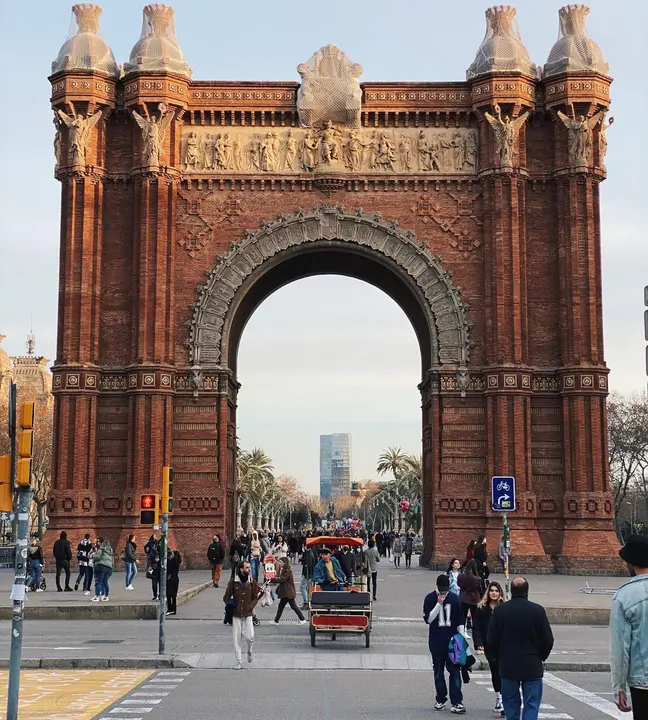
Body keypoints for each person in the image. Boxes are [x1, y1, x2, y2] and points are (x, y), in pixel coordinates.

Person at [487, 577, 554, 720]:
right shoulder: (537, 611)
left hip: (508, 664)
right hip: (532, 664)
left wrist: (495, 658)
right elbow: (548, 639)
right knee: (531, 705)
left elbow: (491, 639)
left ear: (511, 591)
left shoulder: (500, 611)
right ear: (527, 591)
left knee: (511, 705)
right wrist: (540, 656)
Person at [610, 535, 648, 718]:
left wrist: (619, 688)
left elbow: (620, 650)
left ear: (630, 564)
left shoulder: (624, 597)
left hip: (643, 683)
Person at [424, 574, 466, 714]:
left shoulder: (454, 599)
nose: (443, 592)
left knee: (455, 671)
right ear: (437, 587)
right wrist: (439, 604)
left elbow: (460, 620)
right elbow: (429, 619)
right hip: (436, 641)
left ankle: (457, 701)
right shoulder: (430, 598)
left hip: (452, 640)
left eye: (446, 590)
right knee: (438, 671)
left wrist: (461, 639)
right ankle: (440, 699)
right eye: (441, 590)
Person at [473, 581, 505, 715]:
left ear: (500, 593)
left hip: (504, 645)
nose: (494, 593)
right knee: (495, 672)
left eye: (496, 591)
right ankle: (499, 698)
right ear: (488, 592)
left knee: (504, 673)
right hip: (489, 645)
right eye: (492, 590)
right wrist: (479, 643)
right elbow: (477, 628)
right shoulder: (482, 608)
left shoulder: (504, 608)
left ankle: (505, 699)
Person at [223, 560, 261, 670]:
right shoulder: (234, 582)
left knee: (250, 637)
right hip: (236, 614)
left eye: (249, 567)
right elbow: (226, 597)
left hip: (248, 613)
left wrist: (251, 606)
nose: (249, 569)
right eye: (247, 568)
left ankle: (249, 650)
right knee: (236, 639)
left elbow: (255, 597)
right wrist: (231, 604)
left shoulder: (252, 582)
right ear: (241, 569)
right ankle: (239, 661)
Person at [272, 557, 307, 624]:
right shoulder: (284, 570)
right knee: (283, 606)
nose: (280, 563)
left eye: (281, 562)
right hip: (287, 592)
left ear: (284, 563)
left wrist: (274, 579)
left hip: (287, 592)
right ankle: (276, 621)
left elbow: (282, 579)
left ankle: (302, 619)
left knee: (291, 606)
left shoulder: (287, 571)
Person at [458, 559, 481, 632]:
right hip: (474, 599)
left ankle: (462, 631)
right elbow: (480, 589)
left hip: (463, 598)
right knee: (475, 618)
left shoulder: (461, 576)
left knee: (462, 617)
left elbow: (459, 585)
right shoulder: (477, 578)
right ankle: (475, 631)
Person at [92, 537, 114, 602]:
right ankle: (106, 597)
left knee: (99, 581)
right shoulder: (110, 550)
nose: (97, 543)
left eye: (98, 541)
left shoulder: (101, 549)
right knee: (105, 582)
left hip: (101, 566)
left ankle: (97, 596)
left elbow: (97, 557)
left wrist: (93, 555)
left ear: (102, 543)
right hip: (108, 568)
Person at [299, 543, 317, 608]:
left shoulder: (309, 554)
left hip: (307, 574)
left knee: (302, 587)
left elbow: (308, 565)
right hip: (309, 574)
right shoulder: (309, 553)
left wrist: (305, 574)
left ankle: (306, 601)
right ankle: (307, 601)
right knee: (307, 587)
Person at [166, 548, 182, 616]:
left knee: (169, 595)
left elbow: (169, 566)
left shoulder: (173, 561)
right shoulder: (177, 561)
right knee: (172, 595)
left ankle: (171, 609)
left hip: (171, 579)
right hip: (175, 579)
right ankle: (172, 609)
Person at [144, 533, 160, 600]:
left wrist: (149, 567)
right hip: (158, 567)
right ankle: (158, 595)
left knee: (154, 582)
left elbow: (145, 548)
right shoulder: (158, 547)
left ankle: (155, 595)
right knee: (159, 582)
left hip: (153, 566)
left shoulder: (150, 550)